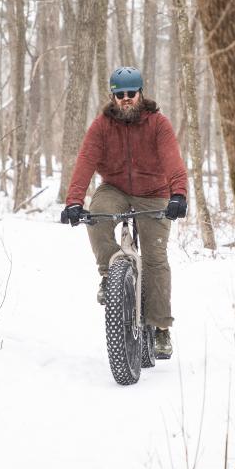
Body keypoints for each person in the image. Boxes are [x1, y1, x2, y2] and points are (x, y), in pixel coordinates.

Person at [61, 66, 188, 359]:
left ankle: (160, 329)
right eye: (120, 95)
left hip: (154, 192)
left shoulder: (158, 123)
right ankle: (109, 275)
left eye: (131, 94)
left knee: (155, 259)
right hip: (115, 188)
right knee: (96, 215)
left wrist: (178, 194)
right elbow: (85, 161)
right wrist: (74, 201)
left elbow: (172, 160)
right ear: (113, 97)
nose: (126, 99)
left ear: (140, 94)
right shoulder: (102, 125)